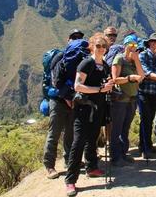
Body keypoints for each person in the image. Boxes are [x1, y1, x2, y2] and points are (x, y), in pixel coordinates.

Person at [65, 33, 114, 197]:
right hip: (83, 109)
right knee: (78, 142)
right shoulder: (86, 63)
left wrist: (108, 85)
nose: (101, 49)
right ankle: (70, 180)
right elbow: (78, 86)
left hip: (98, 108)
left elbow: (103, 83)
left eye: (103, 46)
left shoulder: (105, 65)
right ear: (92, 46)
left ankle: (91, 167)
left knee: (92, 138)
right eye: (98, 46)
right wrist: (100, 89)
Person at [43, 29, 84, 179]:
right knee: (54, 134)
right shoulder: (60, 57)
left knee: (70, 133)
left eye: (79, 38)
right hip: (58, 101)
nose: (76, 40)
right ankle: (49, 166)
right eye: (73, 37)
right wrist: (68, 97)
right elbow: (56, 81)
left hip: (73, 100)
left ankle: (69, 160)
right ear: (68, 39)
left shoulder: (79, 58)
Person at [110, 34, 145, 166]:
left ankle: (123, 153)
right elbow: (114, 79)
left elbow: (141, 76)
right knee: (117, 128)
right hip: (120, 98)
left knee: (126, 128)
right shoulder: (119, 59)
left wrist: (136, 60)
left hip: (132, 98)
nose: (132, 47)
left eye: (135, 45)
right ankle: (115, 156)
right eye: (130, 45)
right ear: (125, 45)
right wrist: (129, 78)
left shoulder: (134, 60)